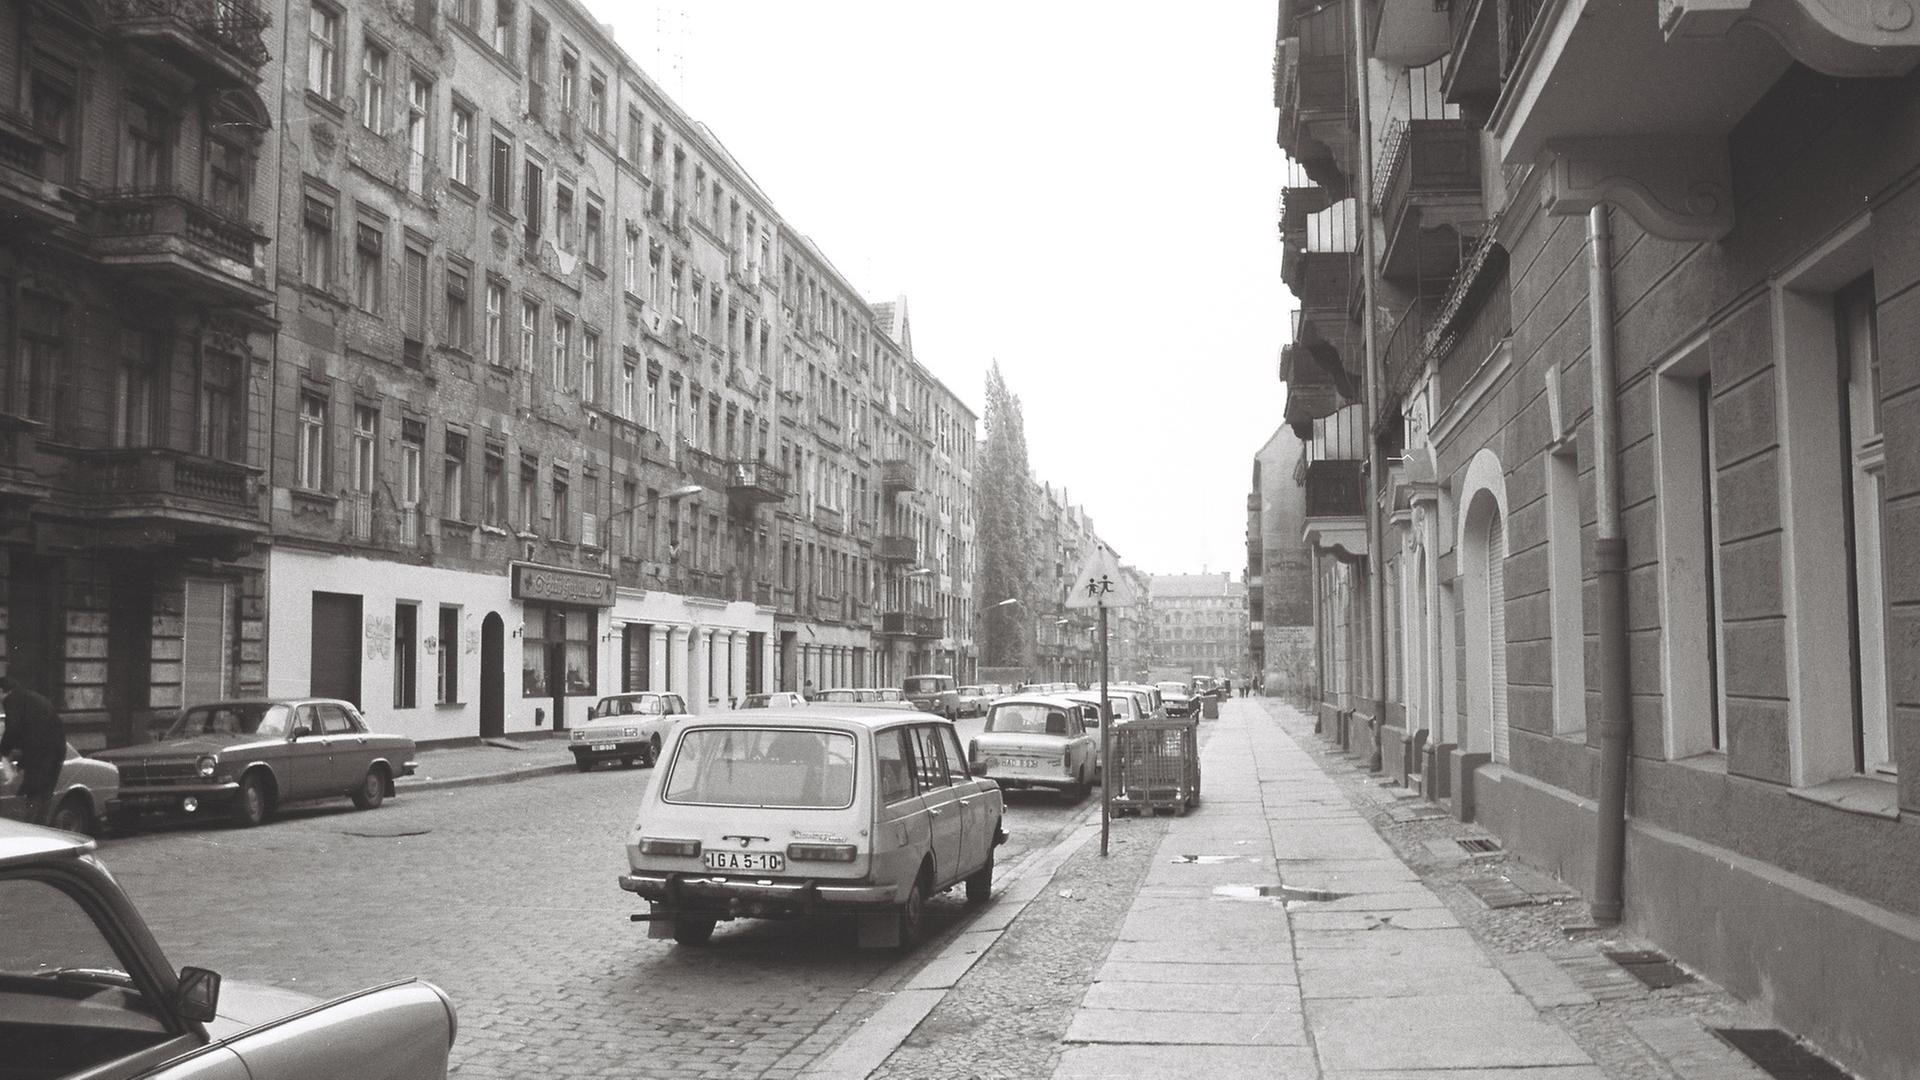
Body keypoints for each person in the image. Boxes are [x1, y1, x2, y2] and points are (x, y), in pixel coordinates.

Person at [0, 675, 65, 827]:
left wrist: (4, 751)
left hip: (41, 754)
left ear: (2, 691)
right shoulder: (31, 698)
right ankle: (40, 829)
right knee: (43, 796)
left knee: (34, 793)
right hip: (55, 751)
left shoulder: (13, 700)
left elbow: (13, 729)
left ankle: (32, 830)